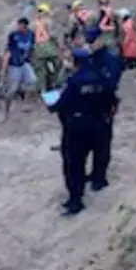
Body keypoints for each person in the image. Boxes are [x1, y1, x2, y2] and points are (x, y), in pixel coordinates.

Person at [48, 45, 115, 217]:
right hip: (100, 123)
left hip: (77, 127)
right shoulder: (102, 77)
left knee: (74, 164)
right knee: (101, 153)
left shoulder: (74, 81)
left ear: (76, 62)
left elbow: (60, 105)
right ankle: (99, 180)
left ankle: (76, 200)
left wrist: (51, 105)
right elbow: (112, 99)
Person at [85, 27, 122, 191]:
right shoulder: (91, 59)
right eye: (89, 42)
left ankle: (100, 177)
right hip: (90, 106)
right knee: (92, 142)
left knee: (103, 145)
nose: (91, 45)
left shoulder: (110, 59)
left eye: (92, 41)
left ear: (99, 40)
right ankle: (94, 173)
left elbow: (111, 83)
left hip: (104, 106)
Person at [1, 17, 38, 120]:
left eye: (21, 25)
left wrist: (33, 60)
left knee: (33, 80)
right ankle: (6, 110)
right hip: (15, 64)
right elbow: (7, 51)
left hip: (25, 62)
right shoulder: (13, 35)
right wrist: (4, 68)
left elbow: (32, 48)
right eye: (19, 25)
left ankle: (25, 104)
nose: (19, 27)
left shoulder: (31, 34)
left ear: (25, 26)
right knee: (12, 90)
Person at [33, 3, 64, 91]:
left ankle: (42, 90)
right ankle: (55, 85)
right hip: (50, 50)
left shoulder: (34, 23)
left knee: (40, 72)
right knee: (58, 66)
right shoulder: (48, 22)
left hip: (38, 51)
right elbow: (53, 36)